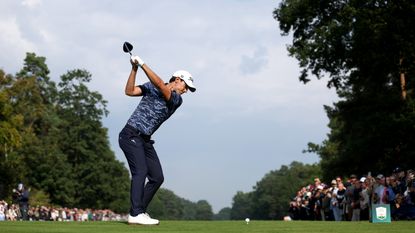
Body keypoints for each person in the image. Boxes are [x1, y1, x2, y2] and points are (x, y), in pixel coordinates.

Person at [119, 54, 196, 225]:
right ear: (177, 79)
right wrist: (134, 68)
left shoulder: (176, 99)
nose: (186, 90)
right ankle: (136, 213)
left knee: (157, 177)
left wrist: (142, 64)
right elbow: (129, 91)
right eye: (186, 86)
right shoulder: (151, 87)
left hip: (144, 139)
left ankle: (140, 211)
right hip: (130, 134)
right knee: (140, 171)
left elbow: (161, 85)